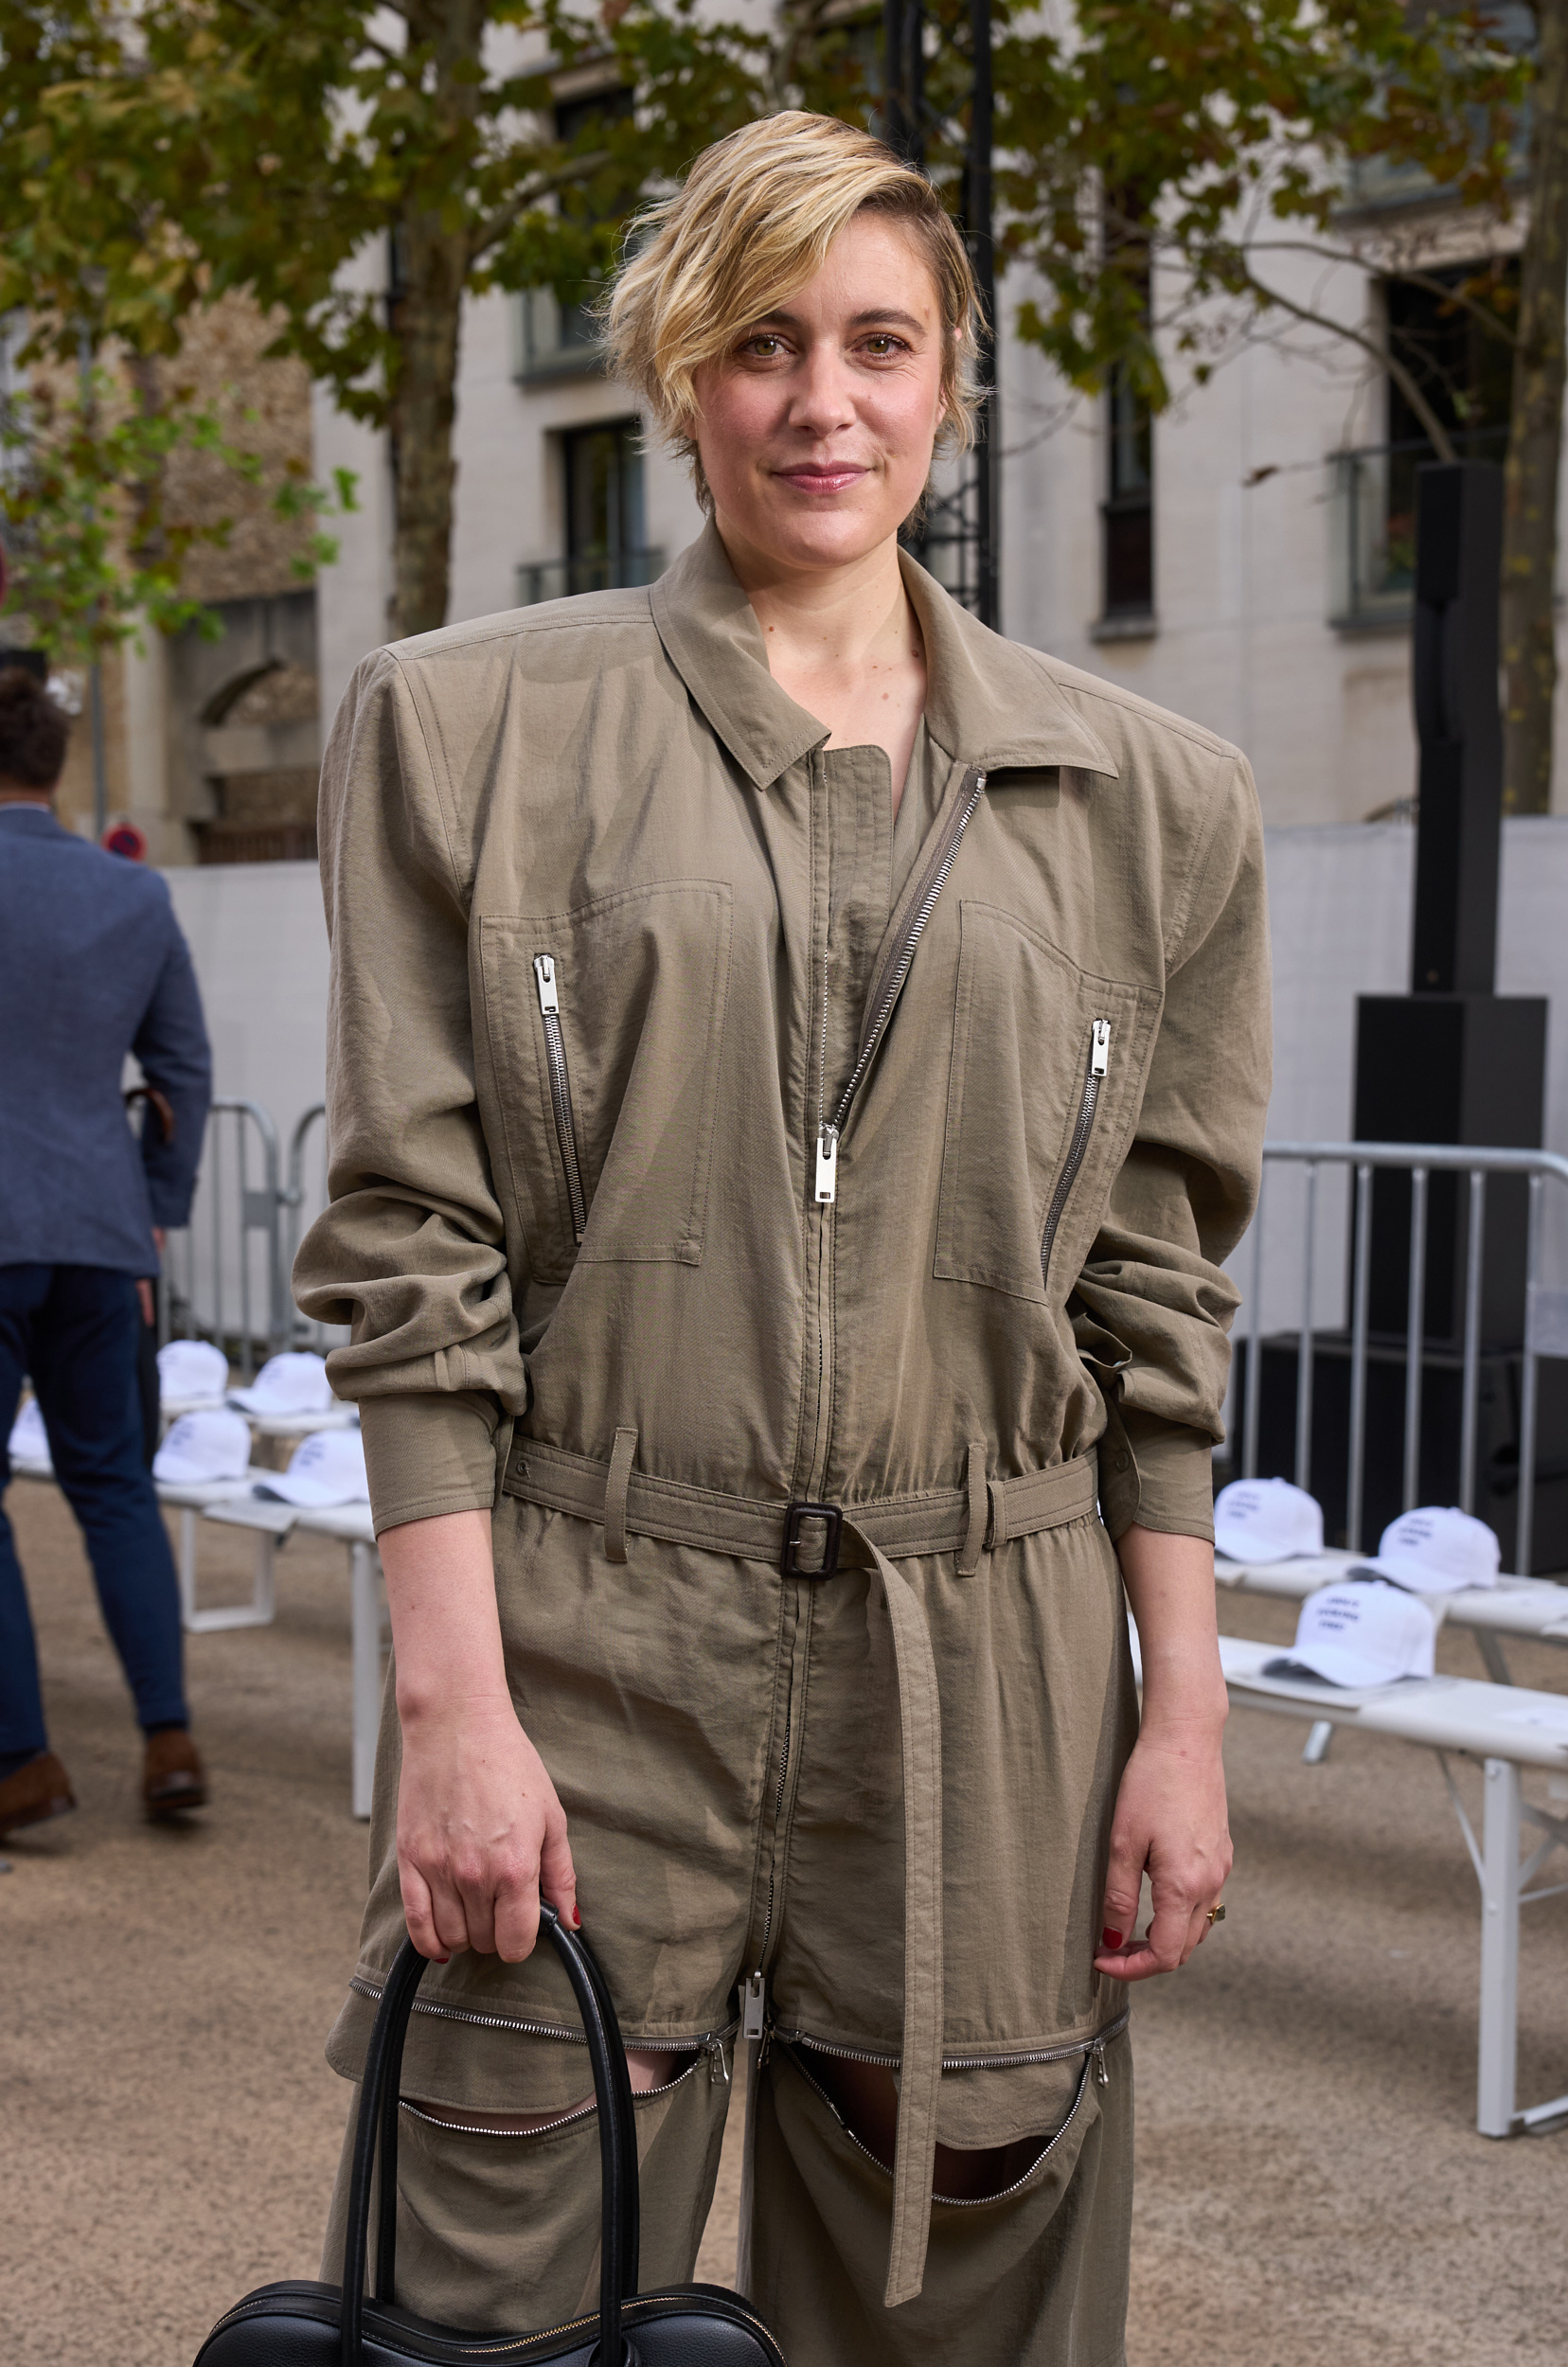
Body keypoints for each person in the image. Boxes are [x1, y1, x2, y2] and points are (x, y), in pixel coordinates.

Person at [295, 111, 1271, 2364]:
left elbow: (1155, 1297)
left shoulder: (1159, 803)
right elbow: (411, 1245)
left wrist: (1183, 1719)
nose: (819, 402)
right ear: (677, 370)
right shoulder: (466, 727)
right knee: (498, 2277)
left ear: (950, 383)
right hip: (588, 1612)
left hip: (995, 1644)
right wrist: (453, 1703)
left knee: (974, 2259)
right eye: (759, 342)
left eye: (876, 342)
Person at [0, 665, 212, 1835]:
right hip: (99, 1231)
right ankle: (168, 1735)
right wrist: (153, 1216)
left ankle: (23, 1760)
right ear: (54, 764)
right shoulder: (132, 895)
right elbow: (185, 1070)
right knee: (116, 1487)